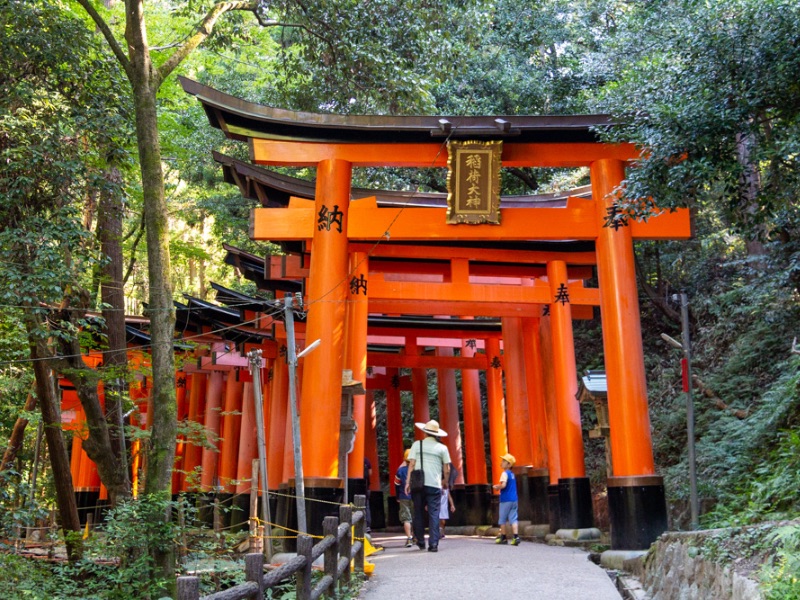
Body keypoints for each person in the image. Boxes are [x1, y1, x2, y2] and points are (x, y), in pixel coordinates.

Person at [404, 419, 451, 553]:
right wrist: (445, 481)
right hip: (434, 484)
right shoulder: (442, 448)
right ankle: (433, 544)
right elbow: (447, 468)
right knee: (434, 514)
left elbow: (411, 464)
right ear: (437, 434)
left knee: (418, 512)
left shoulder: (416, 445)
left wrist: (408, 482)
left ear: (424, 433)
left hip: (418, 483)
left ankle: (420, 541)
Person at [493, 453, 520, 546]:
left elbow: (504, 485)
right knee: (513, 518)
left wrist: (497, 487)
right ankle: (516, 537)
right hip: (514, 499)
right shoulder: (512, 474)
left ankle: (503, 538)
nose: (502, 462)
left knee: (502, 519)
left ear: (509, 465)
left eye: (504, 461)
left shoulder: (504, 473)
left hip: (505, 500)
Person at [393, 449, 414, 547]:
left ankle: (409, 538)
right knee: (415, 517)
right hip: (415, 496)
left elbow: (396, 484)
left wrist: (397, 496)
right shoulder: (416, 470)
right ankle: (417, 537)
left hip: (403, 496)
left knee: (406, 518)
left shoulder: (400, 470)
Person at [364, 456, 372, 533]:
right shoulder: (366, 460)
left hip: (356, 486)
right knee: (366, 507)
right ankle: (367, 525)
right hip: (366, 486)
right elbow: (370, 473)